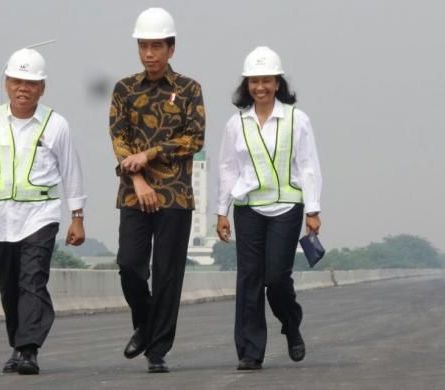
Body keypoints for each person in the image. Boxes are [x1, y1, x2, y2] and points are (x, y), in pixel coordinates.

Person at [0, 48, 86, 375]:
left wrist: (77, 216)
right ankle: (18, 344)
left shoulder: (56, 125)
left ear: (42, 88)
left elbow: (71, 170)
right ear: (6, 83)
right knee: (9, 287)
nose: (23, 88)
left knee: (32, 281)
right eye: (16, 81)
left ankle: (28, 350)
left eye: (31, 83)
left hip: (41, 215)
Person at [109, 7, 205, 374]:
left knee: (167, 273)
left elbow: (194, 138)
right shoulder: (125, 89)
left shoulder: (189, 89)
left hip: (176, 195)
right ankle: (145, 324)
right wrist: (137, 178)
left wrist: (149, 154)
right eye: (143, 46)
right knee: (130, 265)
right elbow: (119, 138)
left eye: (156, 46)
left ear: (171, 49)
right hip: (134, 192)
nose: (149, 53)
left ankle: (157, 350)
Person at [216, 46, 322, 370]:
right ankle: (250, 351)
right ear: (246, 85)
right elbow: (227, 167)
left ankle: (291, 323)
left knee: (275, 278)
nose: (260, 87)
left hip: (286, 207)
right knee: (249, 279)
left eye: (266, 80)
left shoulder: (296, 119)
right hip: (248, 208)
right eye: (253, 81)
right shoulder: (236, 124)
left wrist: (313, 209)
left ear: (278, 83)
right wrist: (222, 210)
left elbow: (308, 166)